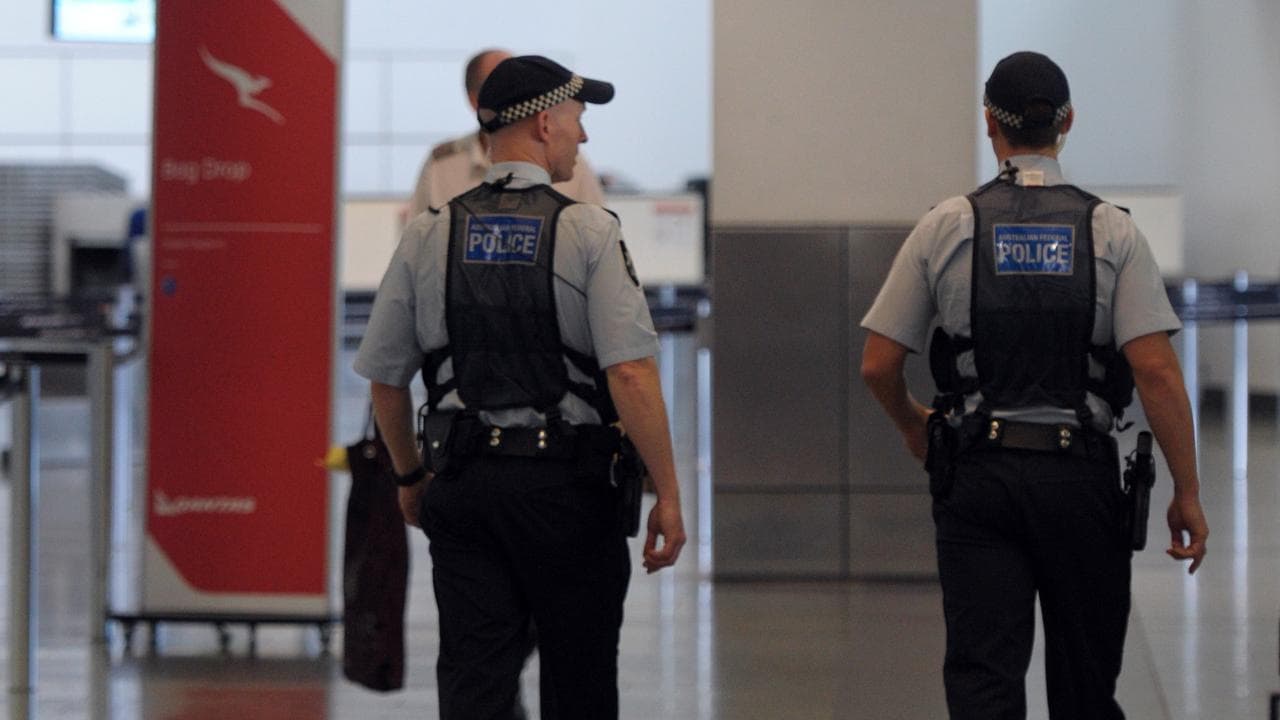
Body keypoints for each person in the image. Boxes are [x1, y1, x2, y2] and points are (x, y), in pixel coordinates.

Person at [859, 51, 1208, 719]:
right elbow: (1156, 371)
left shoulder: (947, 225)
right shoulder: (1112, 230)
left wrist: (913, 426)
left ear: (989, 123)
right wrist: (1186, 490)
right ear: (1067, 122)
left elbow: (878, 363)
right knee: (1085, 686)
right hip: (1080, 483)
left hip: (978, 478)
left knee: (984, 684)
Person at [355, 55, 686, 720]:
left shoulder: (428, 233)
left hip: (464, 489)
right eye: (576, 119)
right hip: (569, 494)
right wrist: (670, 491)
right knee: (579, 680)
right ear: (543, 123)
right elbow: (629, 372)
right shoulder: (588, 229)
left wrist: (410, 479)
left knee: (476, 683)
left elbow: (386, 381)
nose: (582, 137)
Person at [407, 48, 606, 218]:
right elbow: (416, 253)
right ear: (476, 101)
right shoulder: (442, 164)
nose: (517, 90)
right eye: (500, 86)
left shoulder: (572, 163)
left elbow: (599, 240)